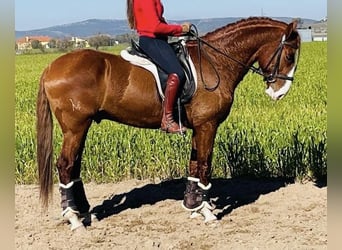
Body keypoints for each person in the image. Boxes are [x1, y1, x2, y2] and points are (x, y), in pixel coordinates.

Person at [126, 0, 191, 134]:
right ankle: (167, 119)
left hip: (157, 40)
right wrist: (180, 28)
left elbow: (159, 22)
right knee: (177, 73)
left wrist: (179, 32)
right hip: (152, 40)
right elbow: (155, 27)